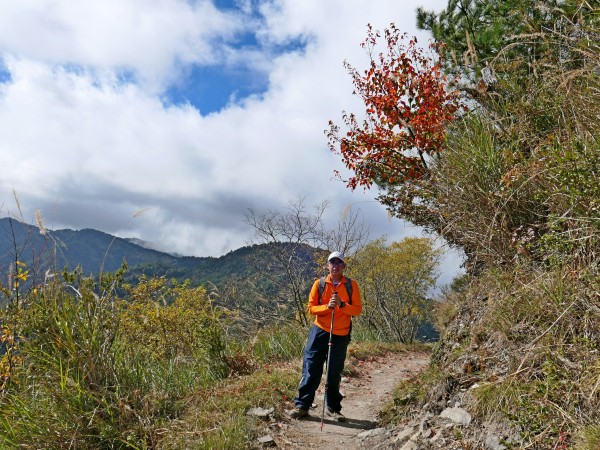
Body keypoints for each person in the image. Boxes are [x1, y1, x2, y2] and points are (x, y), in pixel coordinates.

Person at [289, 251, 362, 421]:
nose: (335, 266)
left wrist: (342, 305)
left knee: (333, 372)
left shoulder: (351, 286)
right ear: (327, 265)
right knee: (311, 368)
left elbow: (357, 310)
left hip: (341, 334)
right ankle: (302, 406)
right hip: (320, 331)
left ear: (344, 266)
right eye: (332, 262)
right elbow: (311, 308)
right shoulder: (319, 284)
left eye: (338, 263)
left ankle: (333, 409)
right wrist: (327, 307)